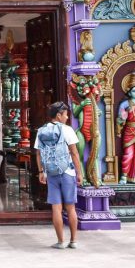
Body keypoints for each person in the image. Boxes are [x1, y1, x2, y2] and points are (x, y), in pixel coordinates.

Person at [35, 102, 84, 249]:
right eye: (65, 114)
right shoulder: (67, 130)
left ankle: (60, 242)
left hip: (51, 173)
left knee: (56, 208)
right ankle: (73, 241)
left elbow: (38, 153)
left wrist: (41, 172)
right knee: (70, 208)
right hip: (67, 172)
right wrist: (79, 172)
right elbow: (74, 153)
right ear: (58, 115)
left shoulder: (41, 130)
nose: (67, 117)